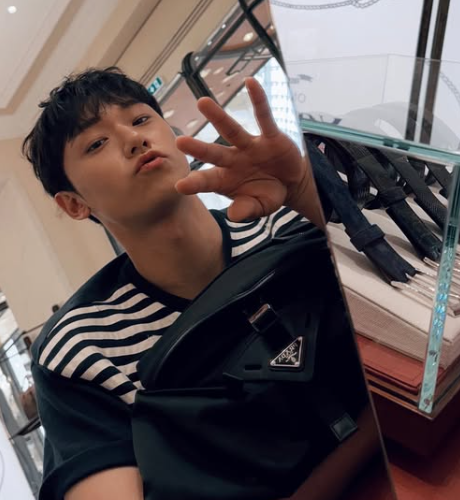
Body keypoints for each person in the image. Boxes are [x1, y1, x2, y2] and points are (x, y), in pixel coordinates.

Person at [23, 67, 334, 500]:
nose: (134, 139)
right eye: (96, 143)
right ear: (75, 204)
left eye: (140, 119)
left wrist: (302, 191)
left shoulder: (284, 224)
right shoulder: (80, 346)